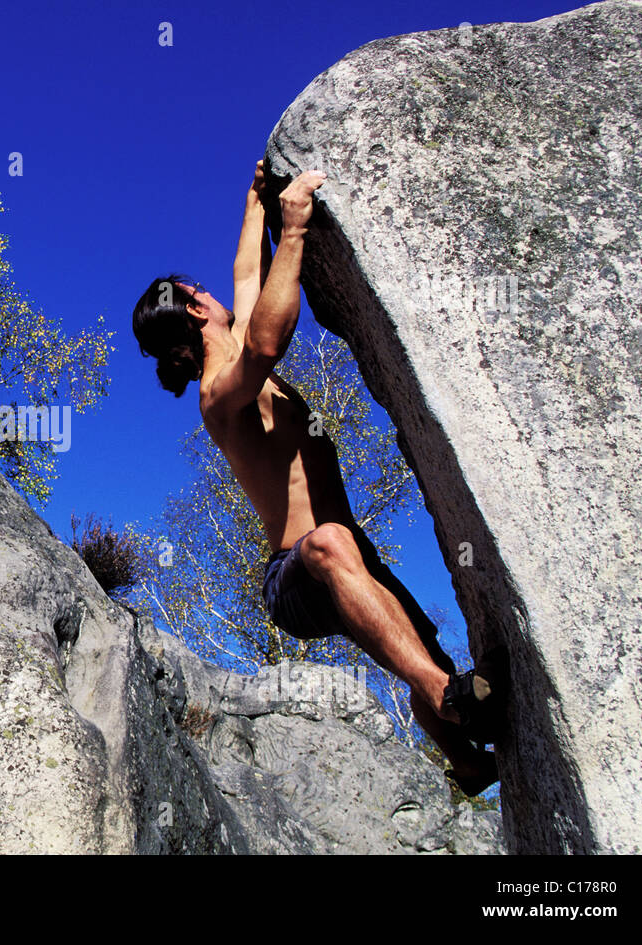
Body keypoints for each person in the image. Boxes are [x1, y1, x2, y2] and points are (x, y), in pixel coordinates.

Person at [131, 161, 506, 796]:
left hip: (347, 554)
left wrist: (258, 197)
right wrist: (296, 228)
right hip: (296, 572)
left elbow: (249, 272)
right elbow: (268, 346)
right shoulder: (220, 393)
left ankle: (469, 763)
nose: (221, 291)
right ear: (196, 308)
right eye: (201, 292)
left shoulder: (237, 344)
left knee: (422, 657)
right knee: (338, 548)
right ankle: (446, 696)